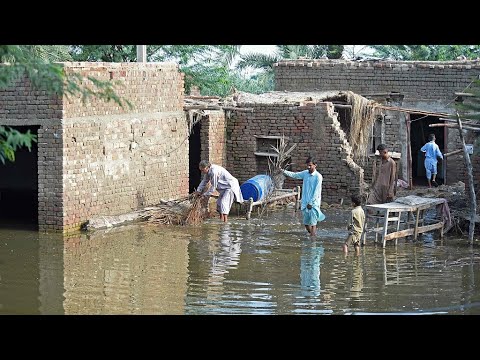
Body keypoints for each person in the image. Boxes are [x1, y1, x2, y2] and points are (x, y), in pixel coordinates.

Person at [283, 156, 325, 236]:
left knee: (313, 224)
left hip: (314, 203)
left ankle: (313, 242)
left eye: (310, 165)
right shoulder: (305, 173)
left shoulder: (318, 177)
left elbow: (316, 192)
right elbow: (295, 175)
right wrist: (283, 171)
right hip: (305, 202)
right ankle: (313, 236)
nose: (308, 167)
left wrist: (311, 203)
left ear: (315, 165)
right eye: (307, 165)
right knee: (306, 223)